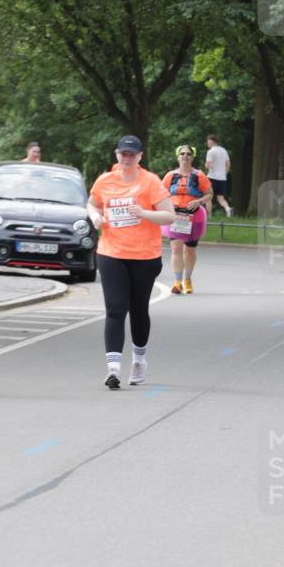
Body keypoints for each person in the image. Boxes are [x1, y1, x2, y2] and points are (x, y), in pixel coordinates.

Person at [87, 135, 175, 390]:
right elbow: (92, 203)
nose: (127, 158)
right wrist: (95, 217)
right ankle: (113, 369)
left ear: (139, 157)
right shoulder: (105, 180)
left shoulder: (150, 182)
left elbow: (169, 216)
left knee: (138, 310)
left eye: (131, 154)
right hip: (111, 252)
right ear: (117, 155)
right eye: (123, 153)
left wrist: (143, 213)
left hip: (144, 256)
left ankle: (139, 360)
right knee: (115, 308)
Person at [161, 145, 212, 294]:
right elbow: (160, 193)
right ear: (178, 157)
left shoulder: (199, 175)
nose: (185, 156)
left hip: (193, 216)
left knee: (189, 250)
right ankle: (177, 282)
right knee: (176, 249)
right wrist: (167, 203)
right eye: (182, 153)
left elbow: (209, 194)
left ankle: (188, 279)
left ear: (192, 157)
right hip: (175, 216)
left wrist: (199, 201)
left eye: (188, 154)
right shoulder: (170, 176)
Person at [204, 133, 232, 216]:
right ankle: (228, 209)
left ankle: (209, 215)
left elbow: (208, 165)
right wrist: (225, 173)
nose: (207, 143)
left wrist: (207, 165)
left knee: (208, 197)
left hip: (212, 177)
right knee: (221, 198)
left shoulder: (210, 151)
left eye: (208, 141)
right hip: (222, 178)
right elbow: (228, 164)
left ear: (212, 141)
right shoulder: (223, 150)